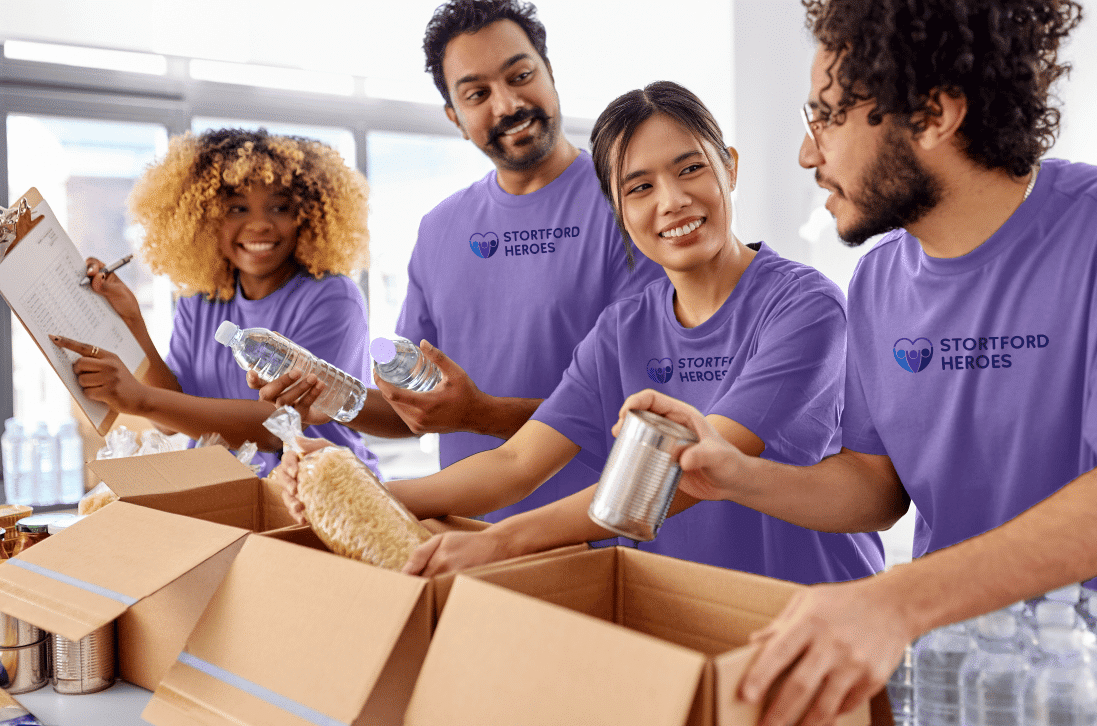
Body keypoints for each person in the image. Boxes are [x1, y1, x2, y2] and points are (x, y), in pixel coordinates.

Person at [616, 1, 1097, 723]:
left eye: (828, 118)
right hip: (956, 672)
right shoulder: (879, 281)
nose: (806, 153)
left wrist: (893, 600)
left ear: (934, 114)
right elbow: (875, 486)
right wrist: (739, 475)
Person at [278, 81, 884, 587]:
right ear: (618, 208)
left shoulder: (804, 307)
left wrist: (509, 540)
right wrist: (348, 486)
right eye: (639, 187)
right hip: (672, 607)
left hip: (804, 610)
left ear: (728, 166)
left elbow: (685, 474)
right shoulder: (625, 328)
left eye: (691, 168)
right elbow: (517, 461)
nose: (672, 201)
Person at [257, 0, 663, 521]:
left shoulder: (628, 206)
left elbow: (646, 414)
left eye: (521, 75)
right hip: (464, 533)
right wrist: (331, 400)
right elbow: (413, 412)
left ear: (550, 73)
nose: (508, 104)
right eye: (477, 94)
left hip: (597, 533)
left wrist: (481, 414)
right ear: (455, 115)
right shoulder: (440, 229)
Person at [51, 128, 379, 476]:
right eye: (237, 208)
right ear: (205, 217)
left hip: (320, 491)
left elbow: (275, 428)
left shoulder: (332, 298)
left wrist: (139, 399)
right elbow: (169, 419)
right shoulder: (201, 299)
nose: (259, 225)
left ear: (308, 215)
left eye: (280, 207)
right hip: (224, 494)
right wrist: (132, 322)